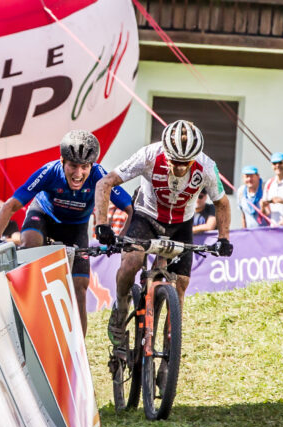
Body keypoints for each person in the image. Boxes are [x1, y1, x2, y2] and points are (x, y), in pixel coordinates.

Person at [94, 120, 233, 346]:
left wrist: (223, 238)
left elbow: (222, 203)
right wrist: (103, 223)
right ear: (165, 151)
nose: (179, 168)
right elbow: (105, 183)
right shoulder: (149, 155)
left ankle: (170, 348)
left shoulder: (206, 166)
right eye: (174, 162)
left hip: (181, 224)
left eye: (185, 163)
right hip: (146, 216)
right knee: (132, 262)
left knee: (181, 284)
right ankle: (120, 308)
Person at [0, 130, 133, 336]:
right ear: (62, 160)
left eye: (84, 167)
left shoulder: (99, 175)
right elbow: (11, 205)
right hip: (44, 217)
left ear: (91, 166)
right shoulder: (49, 171)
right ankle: (27, 308)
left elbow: (130, 209)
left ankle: (79, 353)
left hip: (76, 229)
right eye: (73, 165)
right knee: (30, 243)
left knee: (80, 287)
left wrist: (122, 238)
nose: (78, 173)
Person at [261, 152, 283, 224]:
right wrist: (263, 207)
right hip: (275, 229)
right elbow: (266, 213)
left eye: (280, 163)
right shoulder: (269, 183)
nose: (277, 166)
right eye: (274, 163)